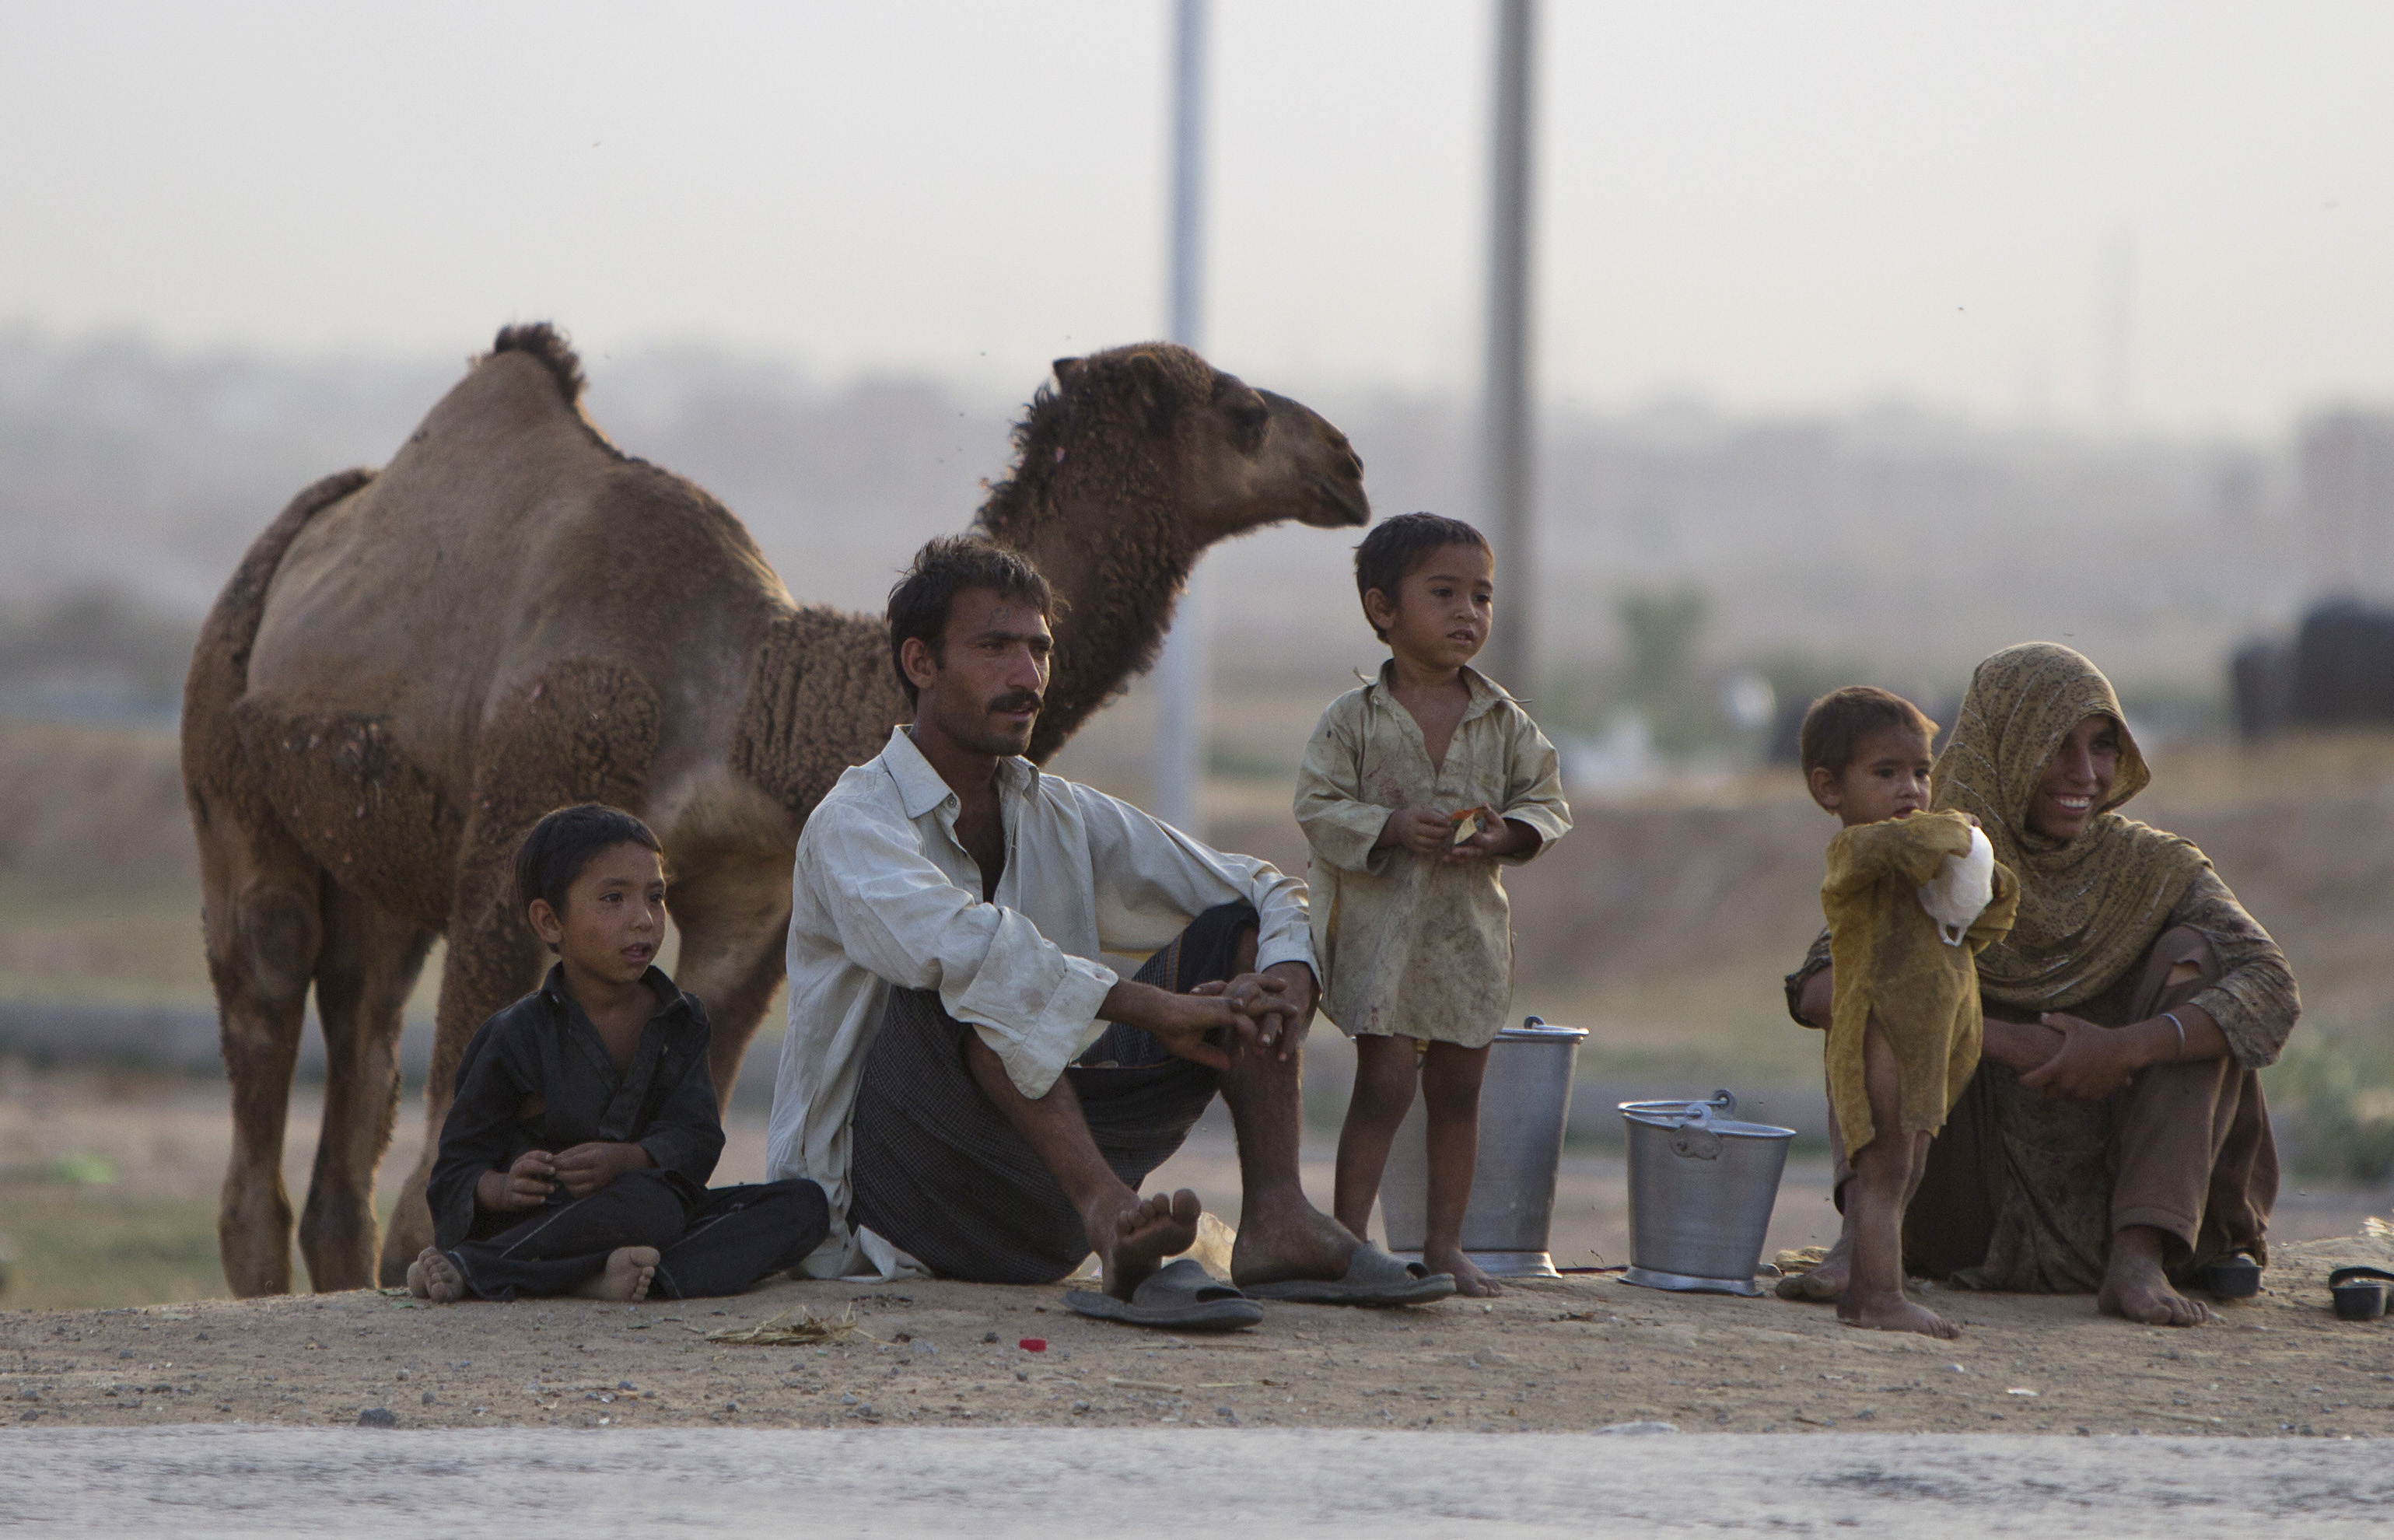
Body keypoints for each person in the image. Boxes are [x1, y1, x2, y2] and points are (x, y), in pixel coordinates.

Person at [767, 537, 1450, 1321]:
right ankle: (1113, 1220)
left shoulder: (1059, 813)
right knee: (983, 969)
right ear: (921, 664)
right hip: (896, 1201)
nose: (1026, 677)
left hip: (1030, 1189)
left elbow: (1264, 885)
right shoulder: (853, 823)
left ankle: (1278, 1220)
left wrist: (1289, 975)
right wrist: (1153, 1008)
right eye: (994, 648)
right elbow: (958, 946)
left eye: (1038, 650)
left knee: (1239, 932)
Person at [1788, 643, 2300, 1327]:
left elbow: (2272, 985)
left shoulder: (2152, 866)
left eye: (2102, 747)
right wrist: (1997, 1040)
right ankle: (1865, 1249)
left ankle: (2138, 1258)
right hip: (1965, 1207)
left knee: (2197, 959)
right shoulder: (1943, 849)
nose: (2083, 774)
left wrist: (2125, 1049)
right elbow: (1816, 987)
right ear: (2004, 745)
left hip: (2137, 1196)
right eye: (2055, 747)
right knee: (1875, 986)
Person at [1294, 513, 1573, 1299]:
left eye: (1482, 597)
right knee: (1383, 1084)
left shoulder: (1503, 719)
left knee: (1459, 1090)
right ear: (1384, 610)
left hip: (1466, 937)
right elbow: (1315, 805)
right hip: (1382, 933)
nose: (1468, 614)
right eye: (1444, 593)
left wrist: (1507, 834)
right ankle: (1350, 1242)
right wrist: (1385, 823)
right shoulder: (1353, 720)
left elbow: (1546, 801)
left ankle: (1444, 1243)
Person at [408, 804, 828, 1304]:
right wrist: (499, 1187)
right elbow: (453, 1171)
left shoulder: (682, 1019)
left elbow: (696, 1138)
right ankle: (485, 1265)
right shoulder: (514, 1036)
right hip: (543, 1222)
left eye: (656, 897)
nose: (644, 921)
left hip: (647, 1206)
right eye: (613, 899)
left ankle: (606, 1279)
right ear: (548, 922)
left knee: (803, 1206)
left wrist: (628, 1158)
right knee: (648, 1207)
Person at [1788, 686, 2016, 1337]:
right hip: (1880, 1032)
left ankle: (1862, 1292)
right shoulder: (1860, 854)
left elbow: (1985, 918)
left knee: (1908, 1166)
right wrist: (1959, 834)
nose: (1911, 790)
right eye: (1886, 774)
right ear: (1830, 790)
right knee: (1883, 1169)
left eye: (1921, 773)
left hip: (1929, 1037)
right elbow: (1909, 848)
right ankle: (1885, 1295)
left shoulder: (1924, 860)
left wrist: (1984, 873)